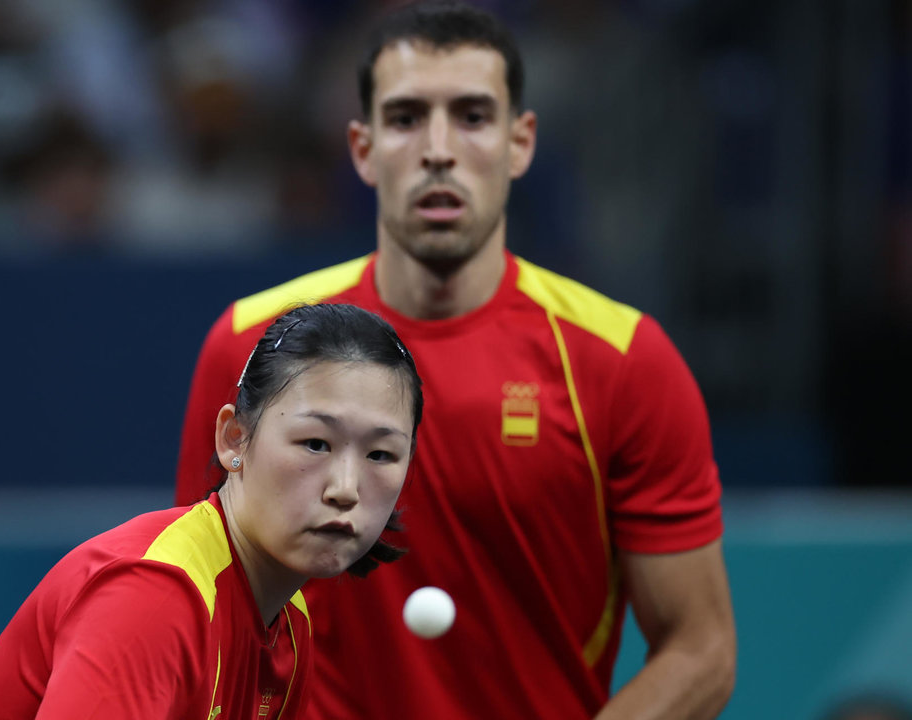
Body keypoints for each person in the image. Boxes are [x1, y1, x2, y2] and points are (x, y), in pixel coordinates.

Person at [175, 2, 736, 718]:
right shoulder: (251, 343)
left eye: (471, 116)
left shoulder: (621, 361)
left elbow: (700, 647)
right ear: (363, 147)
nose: (437, 149)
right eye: (407, 118)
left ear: (519, 142)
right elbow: (205, 613)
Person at [0, 303, 424, 720]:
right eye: (315, 443)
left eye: (380, 455)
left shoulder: (289, 626)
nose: (345, 488)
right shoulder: (155, 595)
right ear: (234, 438)